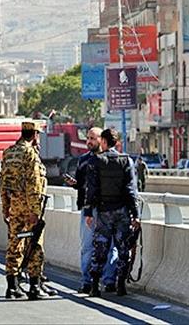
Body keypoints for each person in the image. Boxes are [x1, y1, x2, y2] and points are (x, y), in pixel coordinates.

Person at [84, 128, 140, 298]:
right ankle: (120, 284)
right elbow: (131, 189)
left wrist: (88, 212)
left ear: (104, 141)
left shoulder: (96, 161)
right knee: (123, 249)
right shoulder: (126, 160)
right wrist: (136, 214)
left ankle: (95, 286)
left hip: (103, 212)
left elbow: (91, 190)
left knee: (100, 249)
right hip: (122, 211)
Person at [63, 127, 118, 294]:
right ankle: (86, 281)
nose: (89, 141)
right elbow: (82, 185)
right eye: (88, 138)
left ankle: (109, 281)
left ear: (103, 140)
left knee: (111, 246)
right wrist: (75, 184)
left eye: (93, 138)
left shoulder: (113, 159)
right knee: (87, 246)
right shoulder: (84, 160)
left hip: (108, 209)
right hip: (89, 209)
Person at [0, 121, 47, 300]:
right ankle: (34, 286)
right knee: (34, 244)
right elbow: (34, 184)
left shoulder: (8, 152)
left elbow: (3, 183)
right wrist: (35, 211)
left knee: (14, 243)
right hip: (28, 207)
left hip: (14, 206)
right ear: (35, 135)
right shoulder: (30, 154)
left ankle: (12, 287)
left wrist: (5, 208)